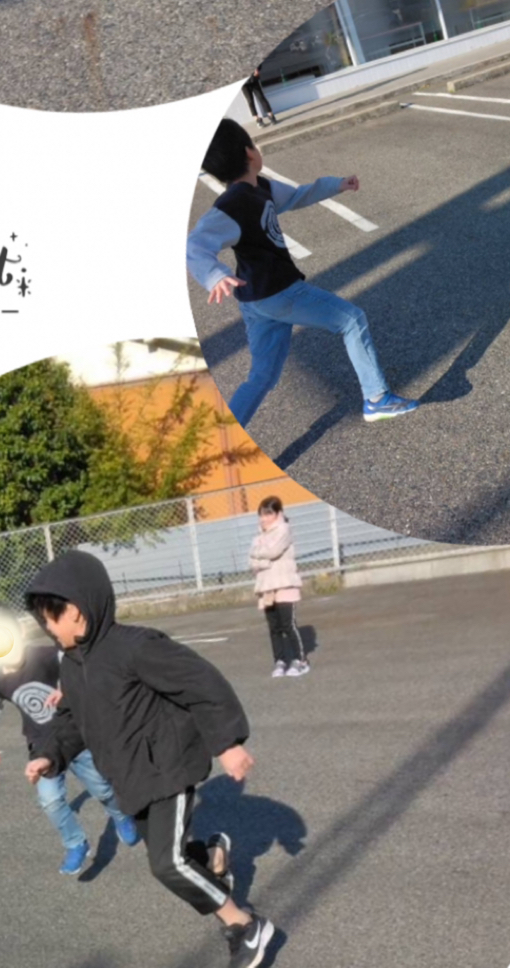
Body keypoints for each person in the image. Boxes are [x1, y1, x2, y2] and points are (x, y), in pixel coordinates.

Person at [23, 551, 275, 966]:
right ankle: (213, 857)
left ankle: (245, 926)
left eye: (50, 619)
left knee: (167, 864)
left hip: (167, 767)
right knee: (172, 853)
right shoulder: (72, 668)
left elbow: (200, 682)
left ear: (76, 612)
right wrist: (49, 755)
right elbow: (70, 722)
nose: (46, 628)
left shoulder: (135, 647)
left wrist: (227, 742)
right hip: (130, 779)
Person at [188, 117, 418, 427]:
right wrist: (214, 275)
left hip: (256, 300)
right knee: (352, 320)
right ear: (250, 153)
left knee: (262, 376)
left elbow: (297, 195)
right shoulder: (232, 205)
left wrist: (336, 185)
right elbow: (196, 244)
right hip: (279, 292)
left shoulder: (261, 187)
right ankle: (377, 399)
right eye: (254, 144)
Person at [0, 632, 140, 876]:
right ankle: (76, 843)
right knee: (50, 800)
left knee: (102, 789)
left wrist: (67, 686)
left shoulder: (43, 656)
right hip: (41, 746)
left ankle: (120, 815)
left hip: (73, 735)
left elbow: (73, 657)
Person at [249, 496, 308, 677]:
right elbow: (251, 561)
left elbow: (274, 551)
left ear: (278, 513)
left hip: (284, 583)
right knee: (274, 627)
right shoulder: (258, 536)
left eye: (269, 514)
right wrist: (265, 561)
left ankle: (300, 661)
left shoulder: (284, 529)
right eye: (262, 514)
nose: (264, 518)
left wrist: (260, 557)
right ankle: (280, 661)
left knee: (288, 624)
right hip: (267, 586)